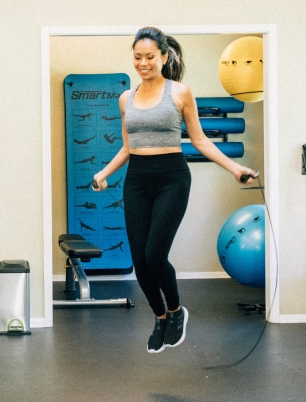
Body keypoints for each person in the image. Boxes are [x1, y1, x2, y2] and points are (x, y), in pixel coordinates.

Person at [93, 27, 258, 355]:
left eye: (150, 57)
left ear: (164, 57)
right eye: (137, 57)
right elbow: (127, 148)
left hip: (172, 178)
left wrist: (235, 167)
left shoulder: (180, 93)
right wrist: (103, 172)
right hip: (137, 179)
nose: (143, 63)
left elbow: (199, 140)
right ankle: (160, 316)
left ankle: (177, 310)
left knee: (155, 254)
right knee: (139, 261)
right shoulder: (126, 98)